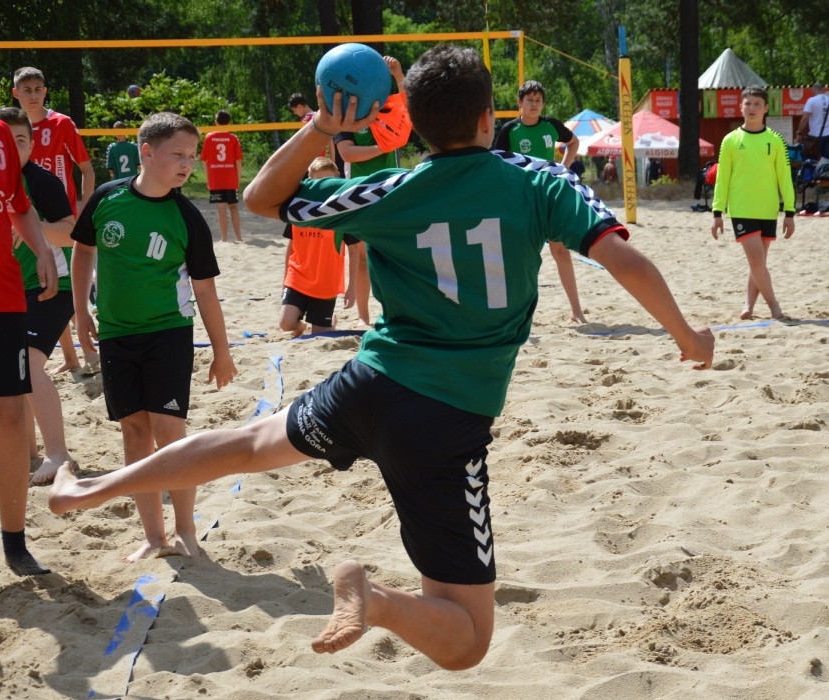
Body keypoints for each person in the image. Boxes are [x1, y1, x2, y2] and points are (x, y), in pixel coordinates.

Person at [50, 45, 714, 669]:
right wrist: (686, 335)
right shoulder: (535, 179)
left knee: (249, 441)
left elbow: (261, 199)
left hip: (370, 385)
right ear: (490, 117)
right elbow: (621, 256)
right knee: (469, 638)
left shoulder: (391, 191)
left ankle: (92, 487)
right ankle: (376, 600)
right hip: (446, 422)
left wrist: (321, 129)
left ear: (415, 128)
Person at [69, 111, 238, 562]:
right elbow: (84, 250)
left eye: (192, 156)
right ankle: (153, 536)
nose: (188, 164)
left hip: (168, 333)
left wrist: (221, 352)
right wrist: (80, 309)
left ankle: (186, 531)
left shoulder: (186, 217)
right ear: (145, 152)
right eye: (177, 155)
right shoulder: (107, 198)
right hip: (117, 335)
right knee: (133, 431)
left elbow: (205, 290)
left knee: (170, 433)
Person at [0, 37, 58, 576]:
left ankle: (13, 541)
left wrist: (43, 248)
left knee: (8, 417)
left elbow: (17, 206)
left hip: (0, 295)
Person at [0, 106, 77, 486]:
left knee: (29, 362)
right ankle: (29, 453)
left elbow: (69, 232)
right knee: (12, 369)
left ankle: (59, 454)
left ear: (32, 143)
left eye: (21, 141)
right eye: (5, 142)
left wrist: (32, 229)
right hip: (6, 289)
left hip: (54, 284)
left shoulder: (40, 181)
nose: (14, 148)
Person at [13, 65, 97, 374]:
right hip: (25, 217)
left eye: (38, 89)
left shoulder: (61, 123)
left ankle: (90, 355)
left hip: (60, 218)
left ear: (45, 91)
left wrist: (86, 207)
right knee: (45, 285)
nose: (33, 96)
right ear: (16, 94)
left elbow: (86, 168)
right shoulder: (7, 128)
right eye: (27, 90)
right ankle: (71, 358)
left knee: (69, 286)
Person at [494, 80, 586, 323]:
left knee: (560, 251)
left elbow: (573, 143)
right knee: (523, 255)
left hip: (548, 195)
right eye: (529, 100)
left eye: (538, 100)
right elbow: (496, 162)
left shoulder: (551, 125)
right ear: (519, 103)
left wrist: (562, 169)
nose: (534, 104)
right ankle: (517, 313)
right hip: (521, 199)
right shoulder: (509, 130)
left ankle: (576, 311)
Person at [711, 86, 796, 321]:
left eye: (757, 104)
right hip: (741, 209)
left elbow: (784, 177)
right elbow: (722, 177)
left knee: (758, 263)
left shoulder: (775, 140)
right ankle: (774, 307)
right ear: (740, 107)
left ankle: (748, 305)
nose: (752, 108)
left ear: (766, 108)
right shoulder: (730, 140)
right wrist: (717, 211)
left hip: (768, 209)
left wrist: (790, 211)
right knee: (757, 260)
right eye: (747, 103)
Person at [333, 56, 406, 327]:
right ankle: (363, 317)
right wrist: (381, 149)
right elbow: (346, 153)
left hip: (388, 191)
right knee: (362, 257)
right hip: (359, 194)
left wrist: (399, 77)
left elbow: (410, 110)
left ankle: (393, 312)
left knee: (391, 256)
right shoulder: (347, 117)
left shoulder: (385, 110)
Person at [279, 157, 359, 336]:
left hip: (326, 282)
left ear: (336, 181)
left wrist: (351, 287)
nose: (322, 187)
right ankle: (301, 326)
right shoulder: (299, 208)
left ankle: (330, 322)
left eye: (327, 182)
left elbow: (354, 251)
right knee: (286, 323)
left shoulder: (342, 212)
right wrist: (285, 279)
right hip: (298, 276)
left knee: (319, 335)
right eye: (318, 182)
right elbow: (291, 246)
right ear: (309, 181)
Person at [200, 109, 243, 243]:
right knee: (234, 207)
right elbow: (238, 161)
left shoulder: (209, 137)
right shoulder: (233, 138)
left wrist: (208, 179)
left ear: (215, 122)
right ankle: (238, 237)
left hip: (215, 179)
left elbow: (204, 161)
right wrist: (238, 178)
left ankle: (224, 239)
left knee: (221, 209)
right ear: (229, 122)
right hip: (230, 178)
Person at [795, 81, 829, 161]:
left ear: (813, 91)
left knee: (810, 162)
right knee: (827, 162)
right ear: (823, 90)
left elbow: (805, 118)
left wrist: (799, 132)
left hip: (815, 137)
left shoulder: (811, 100)